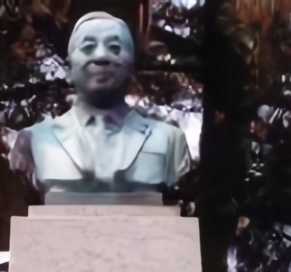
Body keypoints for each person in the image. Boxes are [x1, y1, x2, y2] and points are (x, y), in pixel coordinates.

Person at [10, 11, 191, 203]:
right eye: (88, 47)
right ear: (70, 63)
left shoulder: (169, 141)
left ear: (131, 64)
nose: (101, 56)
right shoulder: (32, 141)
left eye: (115, 48)